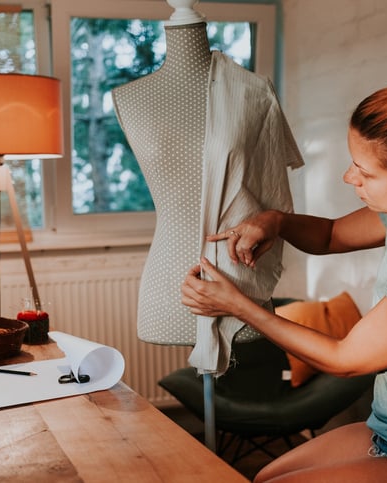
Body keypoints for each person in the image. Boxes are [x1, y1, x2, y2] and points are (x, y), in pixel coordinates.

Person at [181, 58, 387, 482]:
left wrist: (239, 305)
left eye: (364, 172)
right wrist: (277, 220)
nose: (347, 176)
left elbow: (345, 360)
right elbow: (330, 236)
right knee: (262, 479)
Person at [112, 13, 302, 374]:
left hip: (238, 274)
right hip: (168, 276)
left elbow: (272, 185)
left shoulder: (252, 92)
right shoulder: (131, 97)